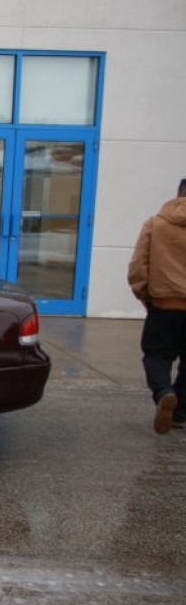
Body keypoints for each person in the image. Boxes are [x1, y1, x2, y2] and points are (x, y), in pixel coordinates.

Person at [127, 178, 186, 433]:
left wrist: (145, 296)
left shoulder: (156, 223)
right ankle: (179, 412)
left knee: (156, 356)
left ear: (177, 194)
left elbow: (138, 266)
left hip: (163, 306)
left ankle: (163, 392)